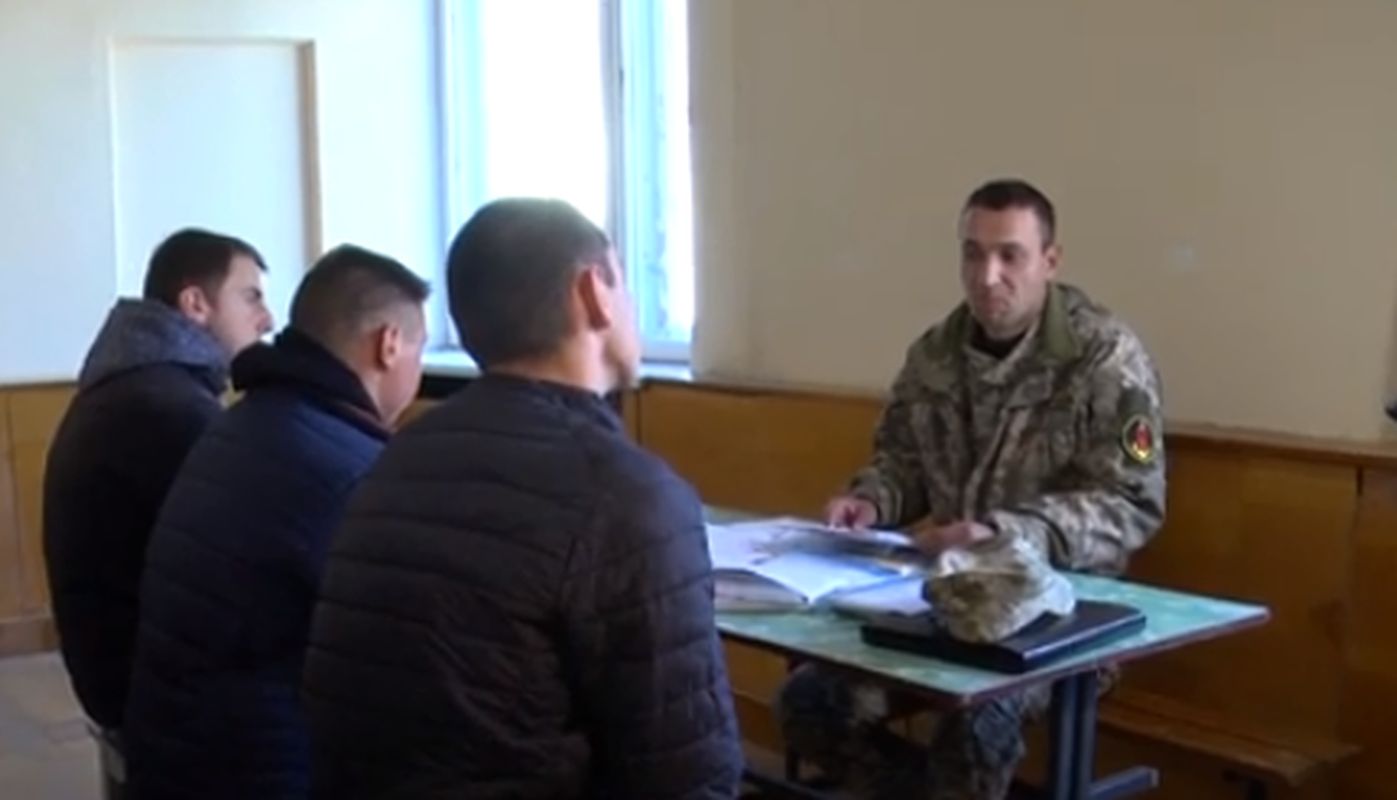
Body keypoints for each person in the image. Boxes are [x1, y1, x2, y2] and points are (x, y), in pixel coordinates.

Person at [303, 198, 742, 799]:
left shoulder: (397, 456)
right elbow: (689, 777)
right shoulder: (626, 494)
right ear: (594, 293)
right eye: (624, 283)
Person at [777, 179, 1167, 799]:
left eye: (1010, 255)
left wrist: (1004, 532)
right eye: (972, 254)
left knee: (973, 730)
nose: (988, 276)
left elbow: (1132, 503)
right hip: (941, 598)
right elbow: (902, 461)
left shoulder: (1103, 358)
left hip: (1059, 614)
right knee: (809, 705)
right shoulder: (934, 355)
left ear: (1050, 261)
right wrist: (871, 500)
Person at [120, 245, 429, 800]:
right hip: (258, 769)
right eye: (420, 349)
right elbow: (401, 664)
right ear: (389, 345)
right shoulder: (346, 470)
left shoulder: (247, 422)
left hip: (173, 749)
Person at [43, 228, 272, 793]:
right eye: (251, 297)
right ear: (195, 304)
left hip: (114, 670)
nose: (266, 320)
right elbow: (242, 566)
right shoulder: (167, 410)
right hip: (148, 691)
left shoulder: (139, 385)